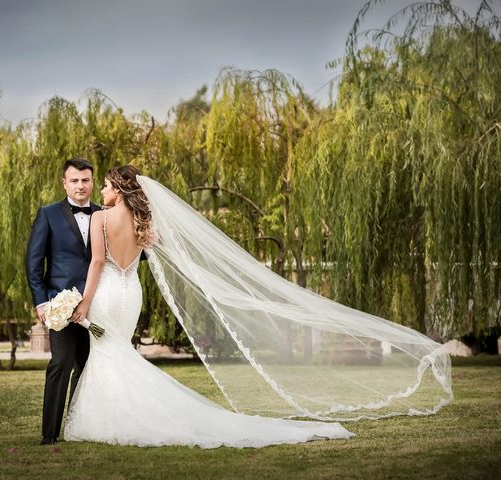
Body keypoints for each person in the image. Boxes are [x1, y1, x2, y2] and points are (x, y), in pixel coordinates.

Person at [62, 165, 355, 448]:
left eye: (106, 185)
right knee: (119, 349)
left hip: (107, 292)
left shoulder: (101, 217)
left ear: (120, 188)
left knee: (109, 352)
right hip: (131, 293)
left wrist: (84, 303)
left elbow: (98, 262)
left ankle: (114, 418)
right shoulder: (144, 220)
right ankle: (121, 414)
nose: (101, 190)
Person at [25, 158, 102, 446]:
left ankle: (78, 426)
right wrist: (41, 303)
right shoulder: (48, 215)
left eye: (85, 180)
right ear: (64, 183)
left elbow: (123, 251)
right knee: (61, 363)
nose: (80, 186)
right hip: (61, 305)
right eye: (74, 180)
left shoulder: (104, 214)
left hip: (98, 304)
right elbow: (33, 263)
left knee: (89, 366)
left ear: (92, 182)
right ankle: (50, 433)